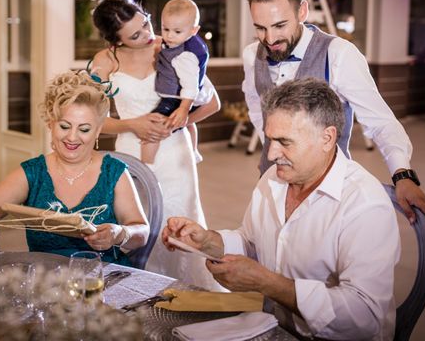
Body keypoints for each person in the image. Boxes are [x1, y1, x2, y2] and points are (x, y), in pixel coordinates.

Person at [163, 78, 401, 340]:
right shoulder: (275, 179)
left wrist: (267, 283)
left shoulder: (364, 204)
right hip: (271, 325)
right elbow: (252, 243)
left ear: (327, 138)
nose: (272, 154)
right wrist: (207, 241)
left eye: (284, 142)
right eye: (269, 140)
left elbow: (363, 317)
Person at [242, 0, 425, 229]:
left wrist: (403, 174)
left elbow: (380, 121)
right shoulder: (250, 55)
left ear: (302, 11)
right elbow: (257, 107)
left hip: (329, 192)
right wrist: (276, 148)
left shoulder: (339, 54)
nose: (270, 38)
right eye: (260, 28)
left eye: (280, 25)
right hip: (272, 182)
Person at [91, 0, 223, 289]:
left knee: (180, 220)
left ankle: (191, 289)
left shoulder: (173, 44)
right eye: (135, 35)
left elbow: (211, 103)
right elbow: (90, 119)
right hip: (130, 154)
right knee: (138, 222)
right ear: (115, 40)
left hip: (174, 153)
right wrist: (131, 125)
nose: (148, 35)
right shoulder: (104, 62)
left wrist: (176, 123)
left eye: (146, 23)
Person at [0, 71, 149, 266]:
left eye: (84, 129)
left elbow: (142, 232)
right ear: (50, 124)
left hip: (102, 279)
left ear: (97, 131)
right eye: (64, 126)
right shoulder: (33, 172)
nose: (72, 137)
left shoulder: (114, 172)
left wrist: (119, 233)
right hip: (45, 282)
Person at [142, 0, 212, 165]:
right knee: (188, 124)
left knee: (154, 125)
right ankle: (194, 151)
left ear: (194, 30)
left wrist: (183, 108)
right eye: (166, 29)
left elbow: (189, 86)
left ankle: (147, 165)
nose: (169, 36)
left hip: (178, 98)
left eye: (177, 31)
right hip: (187, 96)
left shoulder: (185, 56)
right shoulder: (183, 40)